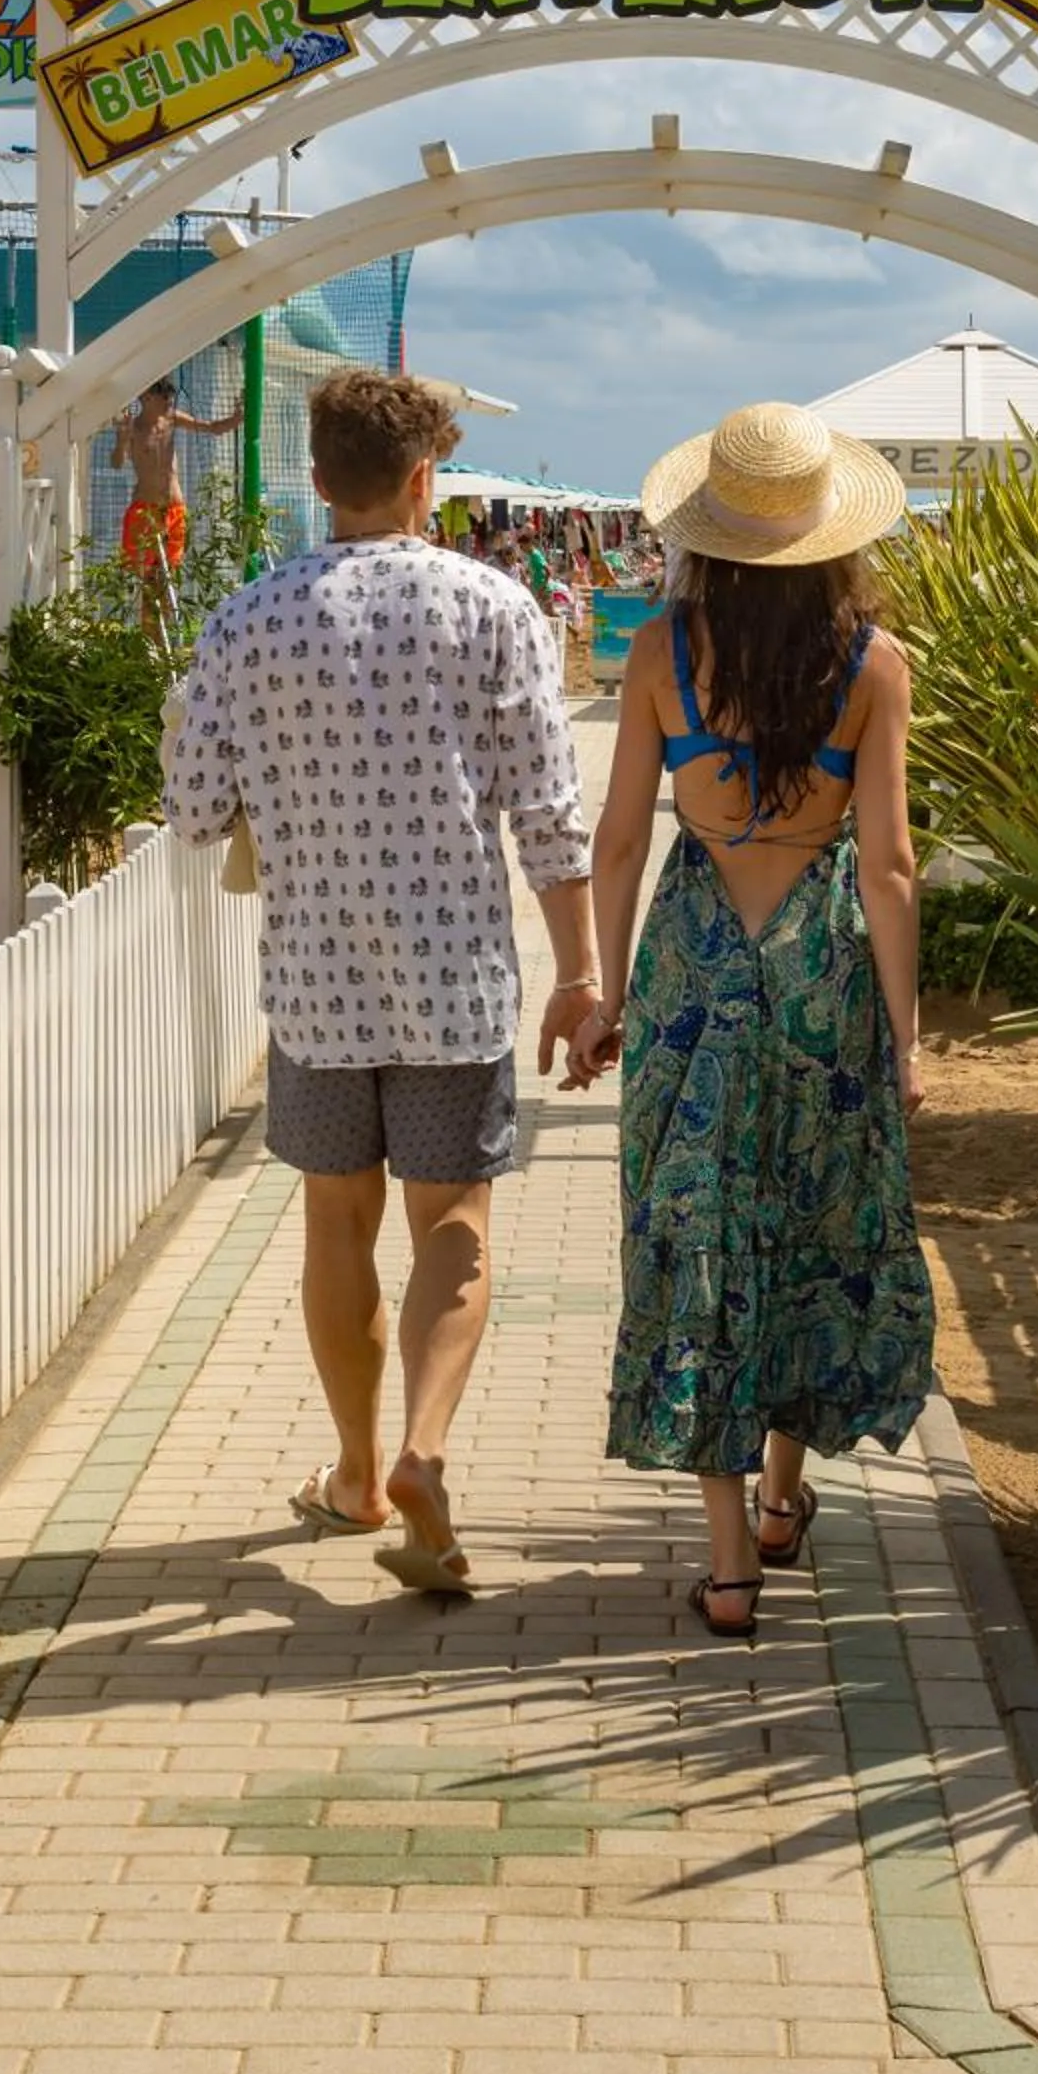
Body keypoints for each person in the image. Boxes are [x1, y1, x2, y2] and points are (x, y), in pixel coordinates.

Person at [164, 371, 599, 1593]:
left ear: (316, 480)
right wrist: (578, 970)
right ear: (425, 479)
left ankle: (353, 1475)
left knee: (335, 1227)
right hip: (454, 983)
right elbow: (547, 814)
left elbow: (194, 811)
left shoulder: (247, 620)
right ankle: (424, 1449)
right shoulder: (496, 608)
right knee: (451, 1229)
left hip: (314, 986)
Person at [562, 401, 933, 1638]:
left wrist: (609, 990)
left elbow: (617, 838)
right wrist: (906, 1036)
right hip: (821, 967)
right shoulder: (875, 665)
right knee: (809, 1219)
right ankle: (786, 1498)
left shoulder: (663, 652)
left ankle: (730, 1563)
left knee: (700, 1228)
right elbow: (887, 868)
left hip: (693, 969)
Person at [111, 375, 241, 586]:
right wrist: (122, 441)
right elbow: (117, 462)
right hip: (145, 509)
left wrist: (236, 419)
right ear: (147, 397)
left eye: (170, 400)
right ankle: (147, 618)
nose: (169, 404)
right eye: (164, 399)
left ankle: (166, 617)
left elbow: (211, 427)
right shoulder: (133, 428)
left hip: (174, 508)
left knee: (168, 575)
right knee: (143, 575)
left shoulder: (172, 419)